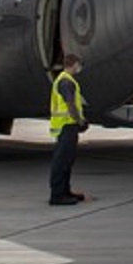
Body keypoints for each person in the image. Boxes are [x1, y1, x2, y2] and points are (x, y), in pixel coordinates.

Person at [48, 53, 88, 205]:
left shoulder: (64, 80)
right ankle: (57, 195)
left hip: (67, 126)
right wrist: (80, 121)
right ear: (74, 64)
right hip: (67, 126)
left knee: (67, 160)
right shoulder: (66, 82)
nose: (80, 67)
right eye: (79, 64)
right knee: (62, 161)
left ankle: (65, 191)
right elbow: (70, 104)